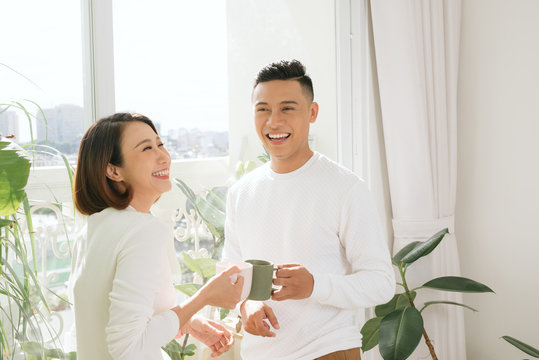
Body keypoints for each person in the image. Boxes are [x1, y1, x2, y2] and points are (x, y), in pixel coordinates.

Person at [223, 60, 396, 360]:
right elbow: (230, 274)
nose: (273, 122)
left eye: (287, 108)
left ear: (312, 112)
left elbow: (381, 283)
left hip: (327, 350)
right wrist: (245, 305)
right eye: (263, 108)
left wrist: (315, 285)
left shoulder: (345, 188)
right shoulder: (241, 192)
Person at [70, 113, 244, 360]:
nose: (163, 156)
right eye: (147, 148)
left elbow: (116, 319)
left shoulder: (91, 229)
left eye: (160, 144)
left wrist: (189, 323)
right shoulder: (141, 231)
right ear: (113, 170)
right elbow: (128, 347)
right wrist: (206, 296)